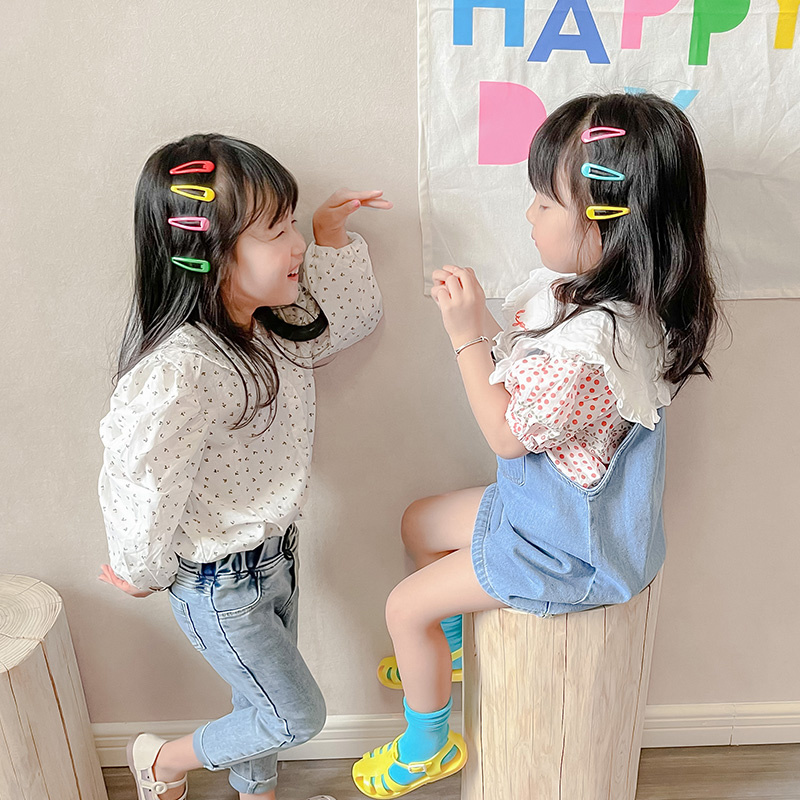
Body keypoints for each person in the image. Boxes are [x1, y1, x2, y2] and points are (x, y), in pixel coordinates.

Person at [352, 92, 720, 798]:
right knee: (418, 522)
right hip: (545, 511)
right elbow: (528, 387)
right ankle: (446, 650)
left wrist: (467, 334)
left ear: (613, 224)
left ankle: (428, 743)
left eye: (546, 204)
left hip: (567, 549)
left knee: (403, 606)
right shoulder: (598, 301)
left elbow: (505, 434)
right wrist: (490, 330)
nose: (529, 215)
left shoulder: (596, 349)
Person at [97, 132, 391, 800]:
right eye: (275, 231)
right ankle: (163, 761)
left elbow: (351, 319)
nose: (295, 246)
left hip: (276, 557)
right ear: (207, 256)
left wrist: (330, 237)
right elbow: (142, 475)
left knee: (258, 702)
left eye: (292, 223)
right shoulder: (183, 368)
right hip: (217, 582)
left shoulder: (272, 327)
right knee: (295, 715)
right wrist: (139, 567)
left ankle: (256, 792)